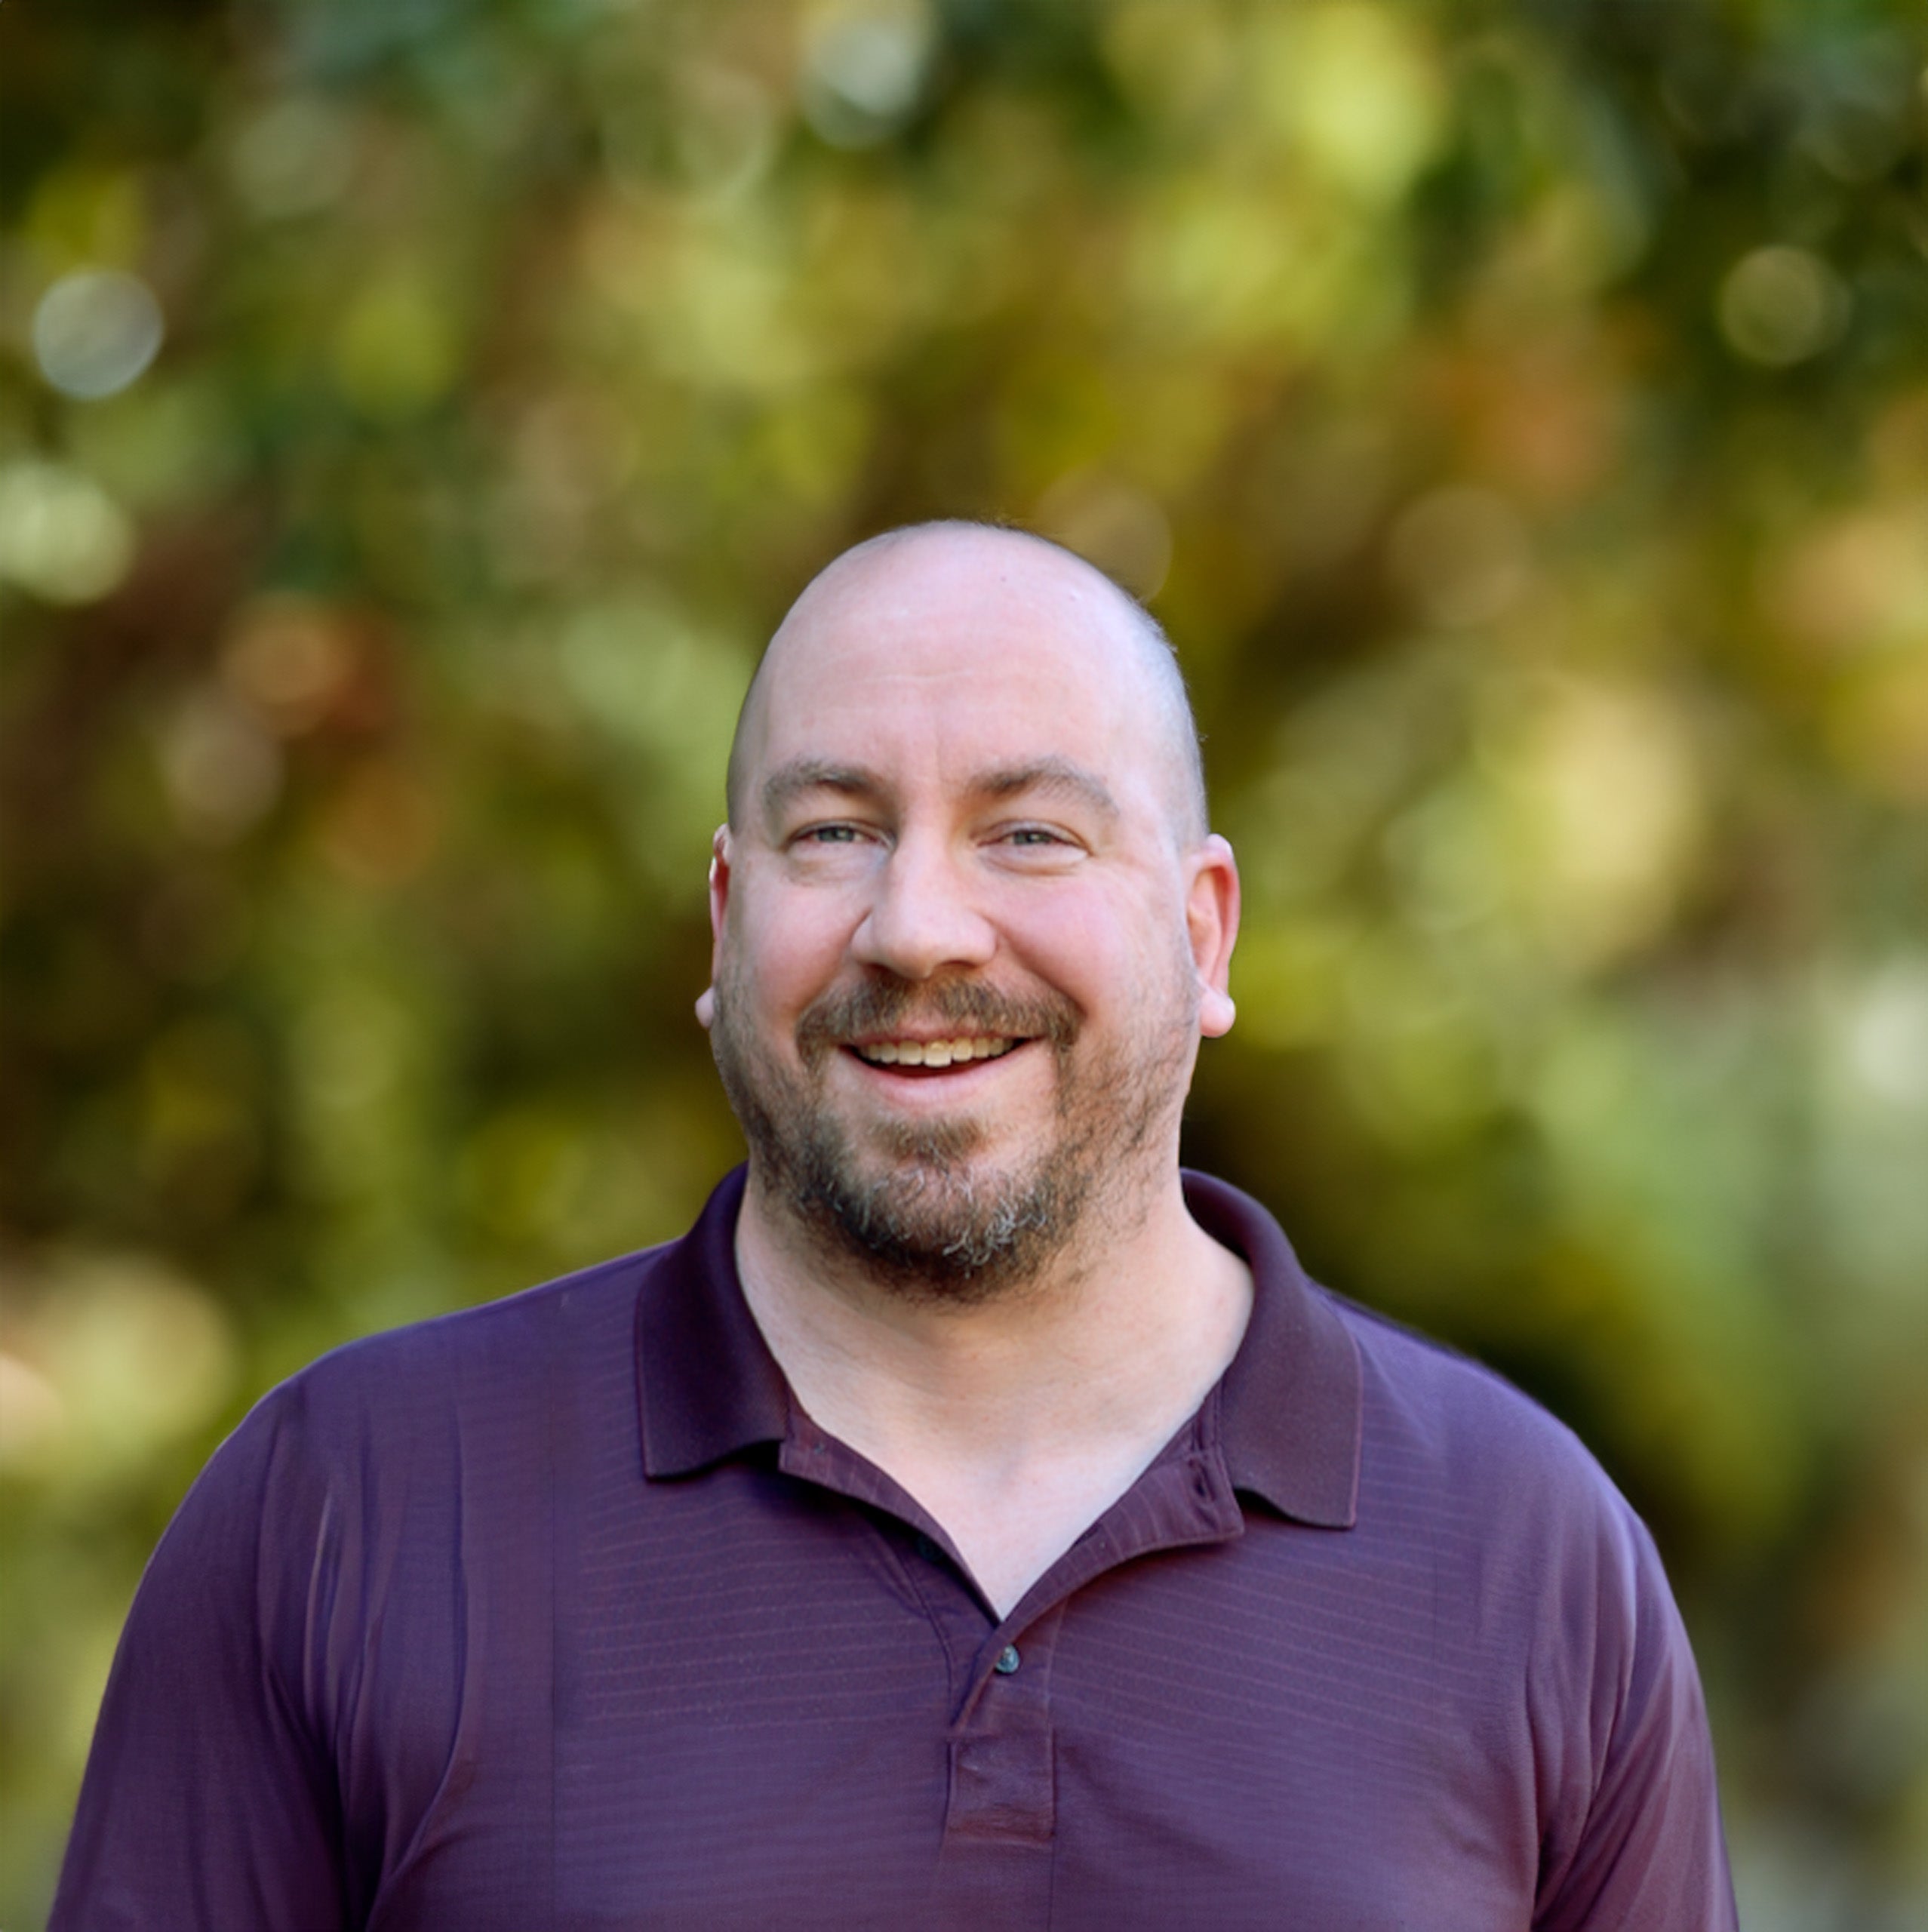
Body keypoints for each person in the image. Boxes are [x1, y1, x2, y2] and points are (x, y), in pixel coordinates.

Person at [52, 522, 1739, 1930]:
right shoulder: (350, 1510)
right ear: (726, 919)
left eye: (1028, 831)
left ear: (1203, 931)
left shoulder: (1527, 1557)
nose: (918, 923)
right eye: (836, 828)